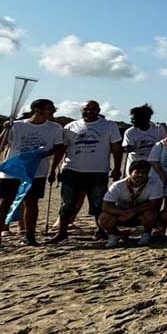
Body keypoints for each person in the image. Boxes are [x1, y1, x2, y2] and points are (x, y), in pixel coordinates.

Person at [0, 99, 66, 249]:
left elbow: (59, 147)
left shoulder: (55, 128)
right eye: (49, 109)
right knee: (4, 202)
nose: (53, 112)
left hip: (36, 171)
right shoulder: (18, 125)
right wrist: (5, 129)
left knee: (31, 203)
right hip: (13, 170)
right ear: (37, 110)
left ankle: (30, 236)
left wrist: (41, 154)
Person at [50, 100, 123, 244]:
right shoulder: (71, 126)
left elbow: (116, 148)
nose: (89, 111)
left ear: (99, 110)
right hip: (72, 170)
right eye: (86, 109)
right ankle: (62, 232)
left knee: (98, 204)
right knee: (67, 204)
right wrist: (53, 169)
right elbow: (62, 150)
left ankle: (101, 231)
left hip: (97, 171)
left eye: (93, 109)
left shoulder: (109, 126)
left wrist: (116, 168)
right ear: (81, 110)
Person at [99, 160, 163, 247]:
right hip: (122, 214)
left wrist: (133, 211)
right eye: (137, 172)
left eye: (144, 172)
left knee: (151, 214)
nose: (140, 175)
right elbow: (106, 205)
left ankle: (146, 233)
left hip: (140, 213)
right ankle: (115, 235)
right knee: (103, 218)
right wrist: (124, 213)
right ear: (130, 172)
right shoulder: (118, 185)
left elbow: (154, 203)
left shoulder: (155, 183)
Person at [122, 104, 166, 169]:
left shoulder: (158, 129)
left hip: (154, 164)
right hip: (136, 163)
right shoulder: (130, 132)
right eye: (131, 119)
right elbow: (127, 149)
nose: (132, 121)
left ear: (146, 118)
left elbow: (164, 145)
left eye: (134, 119)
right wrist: (128, 148)